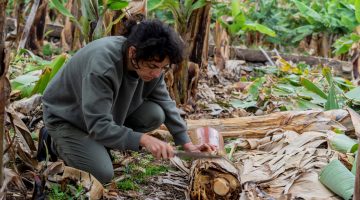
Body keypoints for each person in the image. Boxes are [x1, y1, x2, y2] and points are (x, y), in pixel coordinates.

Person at [39, 19, 215, 184]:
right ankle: (52, 142)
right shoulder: (103, 66)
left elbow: (165, 102)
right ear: (132, 52)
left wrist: (186, 143)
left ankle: (100, 143)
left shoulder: (151, 62)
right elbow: (99, 124)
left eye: (163, 68)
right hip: (67, 117)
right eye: (153, 67)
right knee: (102, 173)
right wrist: (142, 139)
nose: (157, 74)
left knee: (155, 114)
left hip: (99, 116)